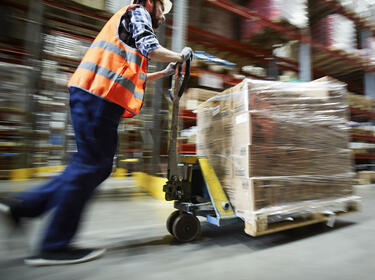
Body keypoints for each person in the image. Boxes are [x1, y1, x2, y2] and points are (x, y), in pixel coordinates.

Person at [0, 0, 193, 266]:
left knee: (90, 165)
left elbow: (135, 75)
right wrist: (180, 56)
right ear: (150, 2)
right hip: (97, 97)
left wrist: (165, 71)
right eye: (162, 8)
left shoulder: (128, 27)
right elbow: (151, 47)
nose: (163, 15)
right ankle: (53, 246)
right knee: (93, 165)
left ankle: (24, 207)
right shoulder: (138, 13)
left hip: (95, 98)